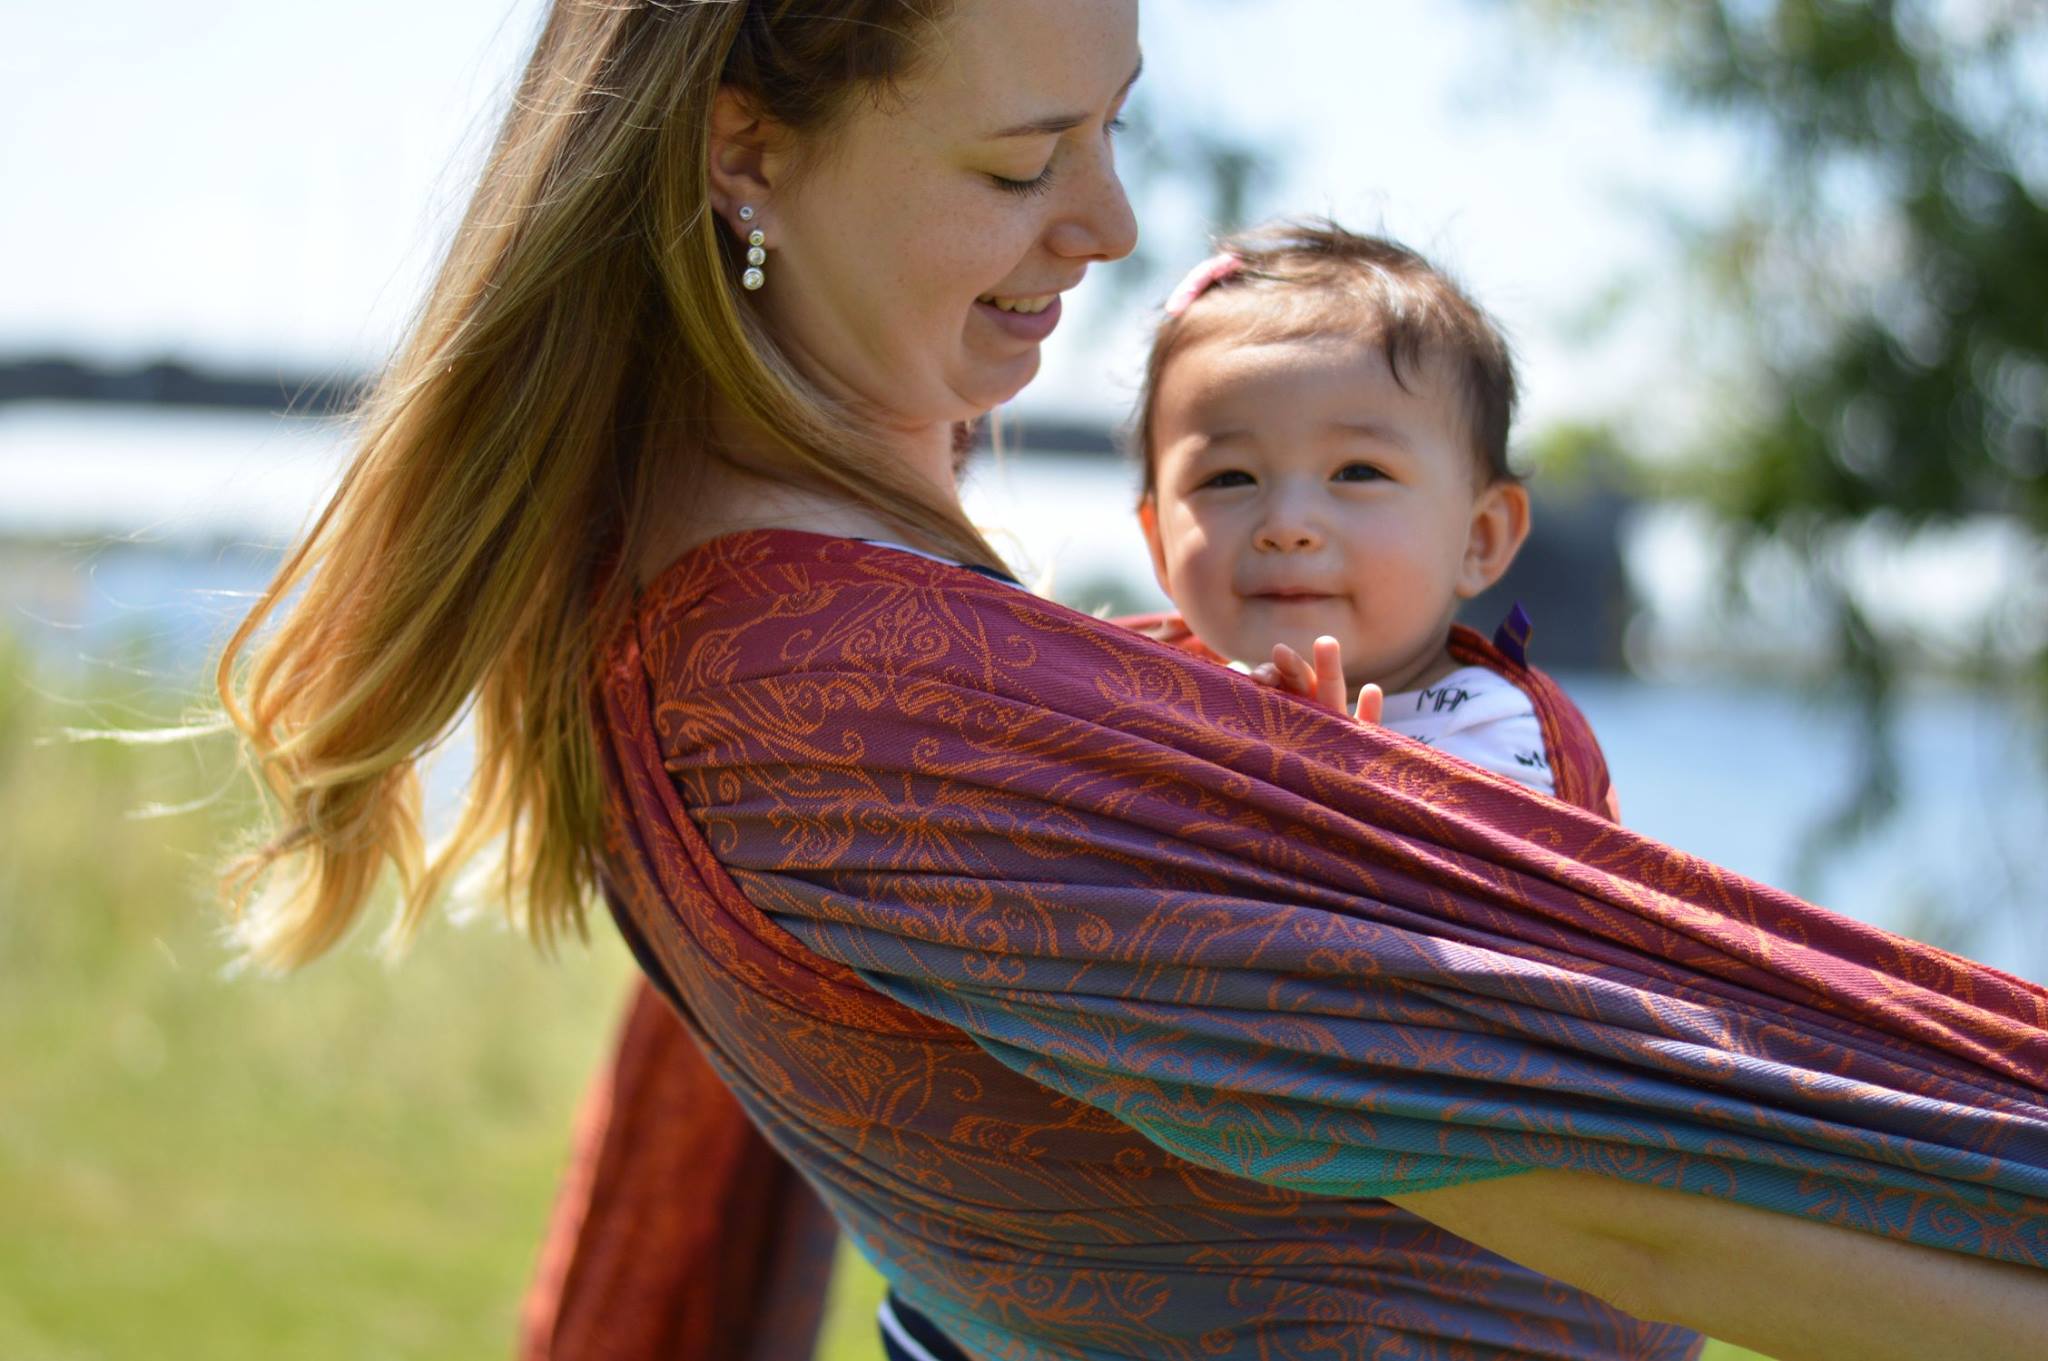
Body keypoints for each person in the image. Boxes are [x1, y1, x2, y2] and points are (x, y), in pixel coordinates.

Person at [207, 4, 2048, 1361]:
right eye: (1019, 163)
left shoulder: (785, 614)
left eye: (1110, 129)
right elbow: (1615, 1196)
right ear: (742, 147)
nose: (1104, 221)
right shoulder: (837, 691)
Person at [1128, 221, 1611, 814]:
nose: (1286, 525)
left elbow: (1477, 899)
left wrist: (1329, 784)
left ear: (1479, 539)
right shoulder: (1131, 693)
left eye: (1357, 472)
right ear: (1160, 547)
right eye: (1229, 478)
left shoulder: (1496, 733)